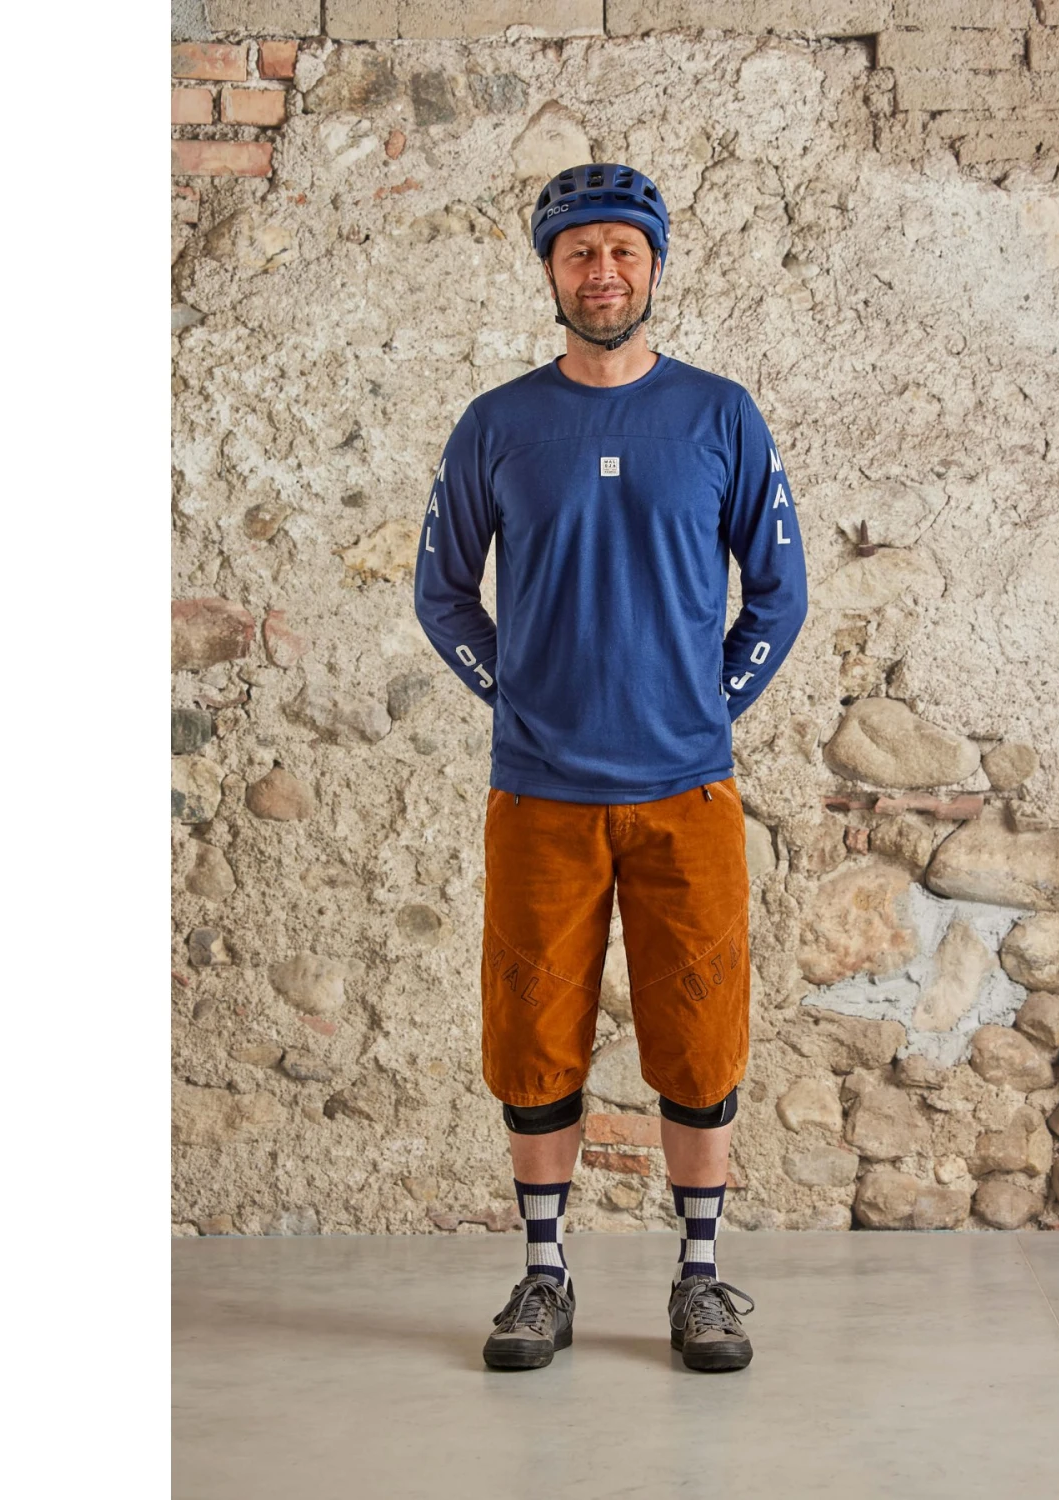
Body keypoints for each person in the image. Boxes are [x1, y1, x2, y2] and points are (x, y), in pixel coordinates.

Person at [413, 162, 808, 1373]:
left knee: (701, 1036)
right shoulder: (498, 424)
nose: (603, 272)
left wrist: (708, 705)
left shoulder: (720, 417)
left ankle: (701, 1279)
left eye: (623, 251)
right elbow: (441, 592)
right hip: (539, 793)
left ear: (655, 267)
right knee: (533, 1038)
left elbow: (779, 593)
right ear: (550, 270)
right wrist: (515, 694)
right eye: (580, 251)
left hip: (689, 791)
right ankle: (545, 1275)